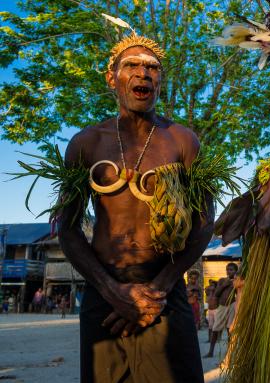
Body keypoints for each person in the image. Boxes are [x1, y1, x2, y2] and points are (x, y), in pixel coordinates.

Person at [58, 32, 214, 383]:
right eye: (132, 65)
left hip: (166, 289)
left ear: (160, 80)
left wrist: (158, 291)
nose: (144, 73)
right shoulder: (87, 142)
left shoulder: (183, 140)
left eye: (152, 68)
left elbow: (204, 222)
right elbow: (67, 229)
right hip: (104, 293)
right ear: (112, 78)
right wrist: (113, 291)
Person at [204, 263, 237, 358]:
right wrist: (224, 285)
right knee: (215, 328)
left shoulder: (236, 281)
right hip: (222, 306)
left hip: (232, 305)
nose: (229, 271)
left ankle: (229, 354)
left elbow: (238, 294)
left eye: (231, 270)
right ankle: (211, 352)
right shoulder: (222, 280)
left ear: (235, 271)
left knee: (230, 329)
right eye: (227, 269)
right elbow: (217, 293)